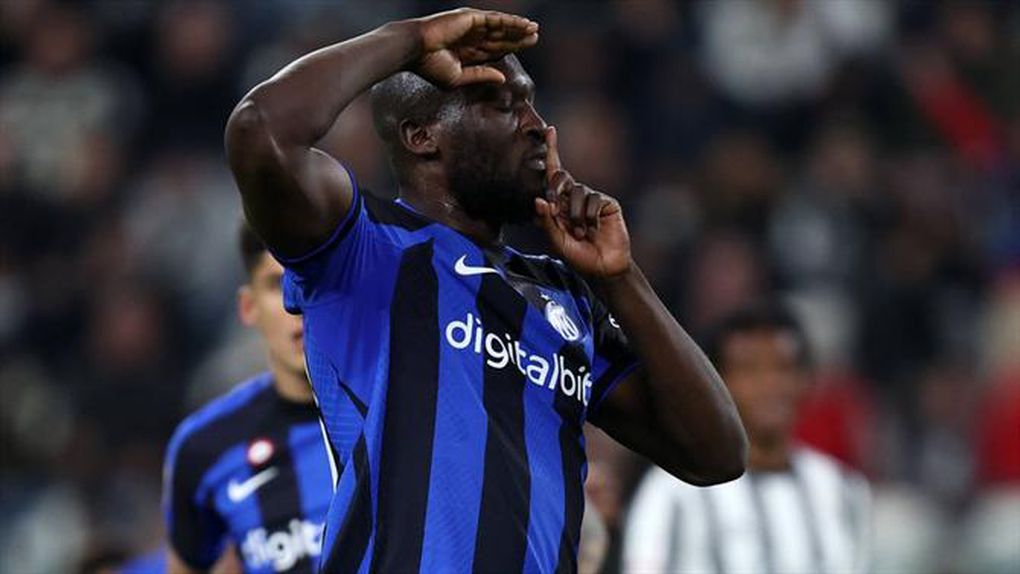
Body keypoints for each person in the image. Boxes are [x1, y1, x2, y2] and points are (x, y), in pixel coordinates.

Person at [225, 8, 747, 572]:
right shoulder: (364, 250)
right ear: (421, 136)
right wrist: (410, 39)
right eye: (502, 105)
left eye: (531, 102)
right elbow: (260, 129)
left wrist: (620, 280)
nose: (537, 125)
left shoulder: (564, 296)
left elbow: (715, 454)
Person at [623, 304, 871, 573]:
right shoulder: (674, 490)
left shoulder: (843, 491)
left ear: (806, 380)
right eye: (749, 369)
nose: (770, 384)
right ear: (713, 383)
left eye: (784, 368)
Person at [162, 223, 334, 573]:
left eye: (309, 281)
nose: (295, 304)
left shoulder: (400, 415)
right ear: (248, 307)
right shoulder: (204, 446)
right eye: (276, 284)